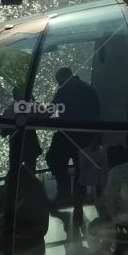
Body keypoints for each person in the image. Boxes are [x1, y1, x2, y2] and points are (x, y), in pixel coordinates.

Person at [46, 66, 101, 239]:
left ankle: (65, 191)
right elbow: (96, 116)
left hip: (66, 136)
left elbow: (50, 110)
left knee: (54, 159)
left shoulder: (63, 91)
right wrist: (94, 138)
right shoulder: (88, 90)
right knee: (81, 172)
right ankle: (76, 206)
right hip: (82, 137)